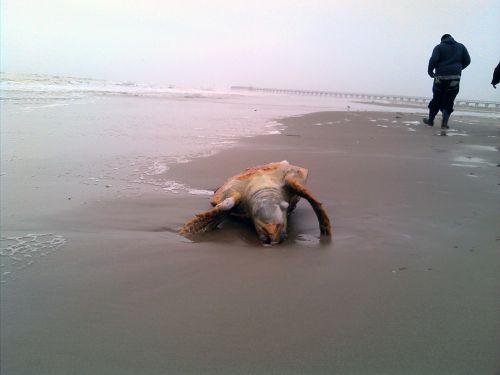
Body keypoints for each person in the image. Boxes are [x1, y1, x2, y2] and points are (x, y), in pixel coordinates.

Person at [423, 34, 471, 129]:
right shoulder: (461, 47)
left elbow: (433, 60)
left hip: (440, 77)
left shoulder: (439, 47)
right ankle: (444, 124)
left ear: (442, 40)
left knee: (437, 97)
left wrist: (430, 71)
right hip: (455, 78)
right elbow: (468, 60)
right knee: (449, 99)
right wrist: (458, 68)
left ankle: (430, 120)